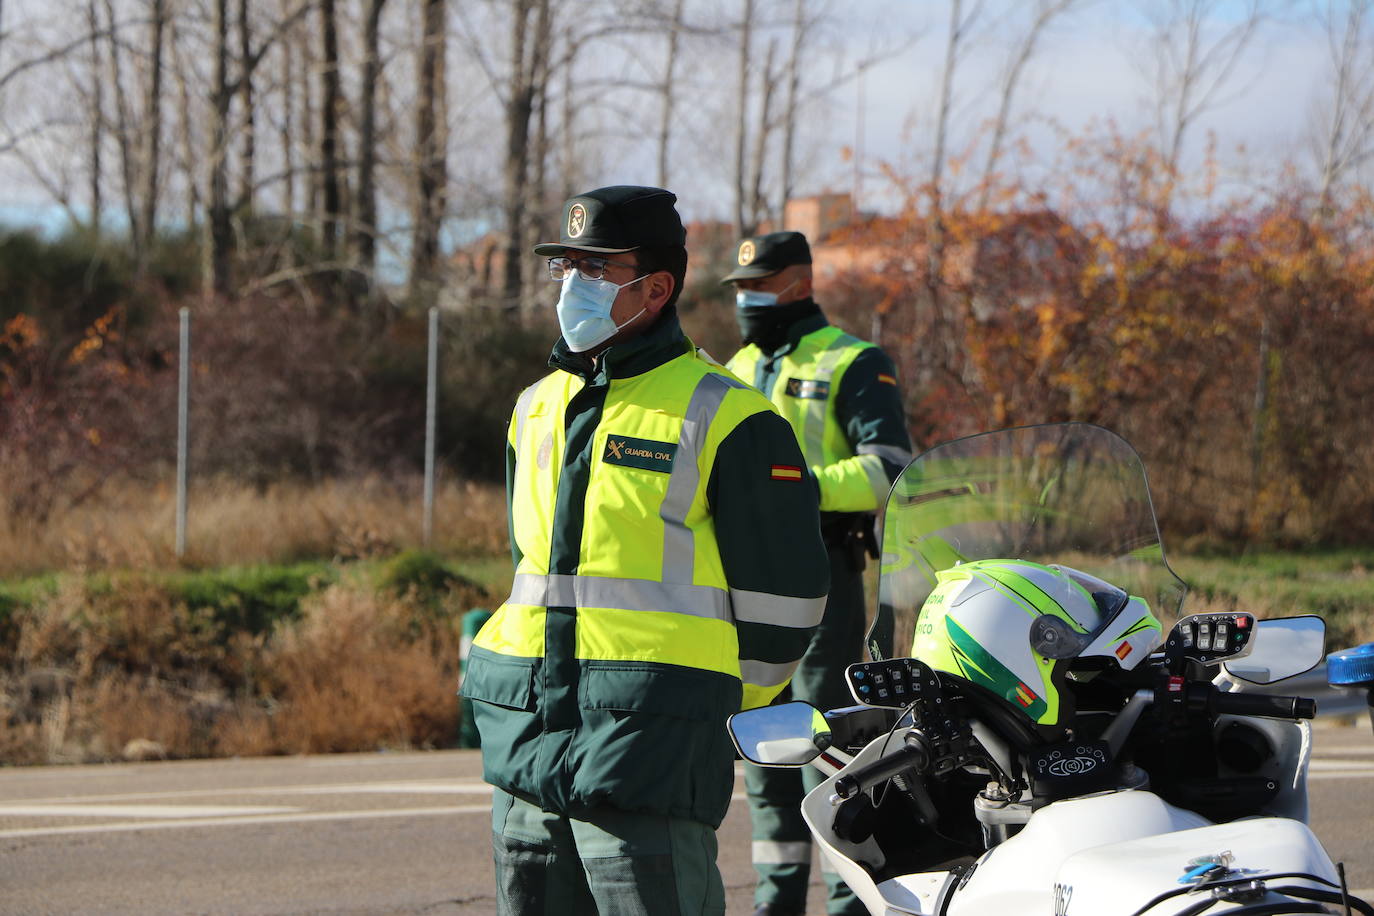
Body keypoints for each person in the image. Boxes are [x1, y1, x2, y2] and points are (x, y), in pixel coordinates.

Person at [463, 187, 831, 916]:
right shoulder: (533, 406)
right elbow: (530, 571)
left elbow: (787, 606)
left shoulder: (728, 414)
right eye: (565, 265)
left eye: (596, 267)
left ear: (657, 288)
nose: (573, 284)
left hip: (648, 750)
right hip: (527, 736)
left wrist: (697, 708)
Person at [721, 230, 913, 916]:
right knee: (767, 746)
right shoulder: (733, 367)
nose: (746, 299)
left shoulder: (854, 361)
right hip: (740, 579)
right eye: (740, 288)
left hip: (823, 569)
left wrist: (792, 487)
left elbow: (889, 467)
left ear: (799, 284)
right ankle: (775, 903)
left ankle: (848, 903)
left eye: (758, 285)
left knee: (831, 745)